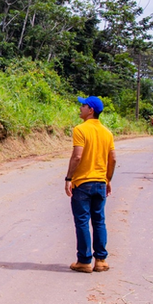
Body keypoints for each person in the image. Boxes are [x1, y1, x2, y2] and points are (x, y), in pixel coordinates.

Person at [65, 95, 116, 273]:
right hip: (101, 182)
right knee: (99, 221)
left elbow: (77, 156)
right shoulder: (107, 133)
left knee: (82, 221)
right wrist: (107, 179)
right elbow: (113, 159)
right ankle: (101, 260)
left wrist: (68, 178)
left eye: (83, 106)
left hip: (83, 183)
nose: (80, 108)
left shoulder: (80, 130)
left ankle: (84, 261)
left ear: (90, 110)